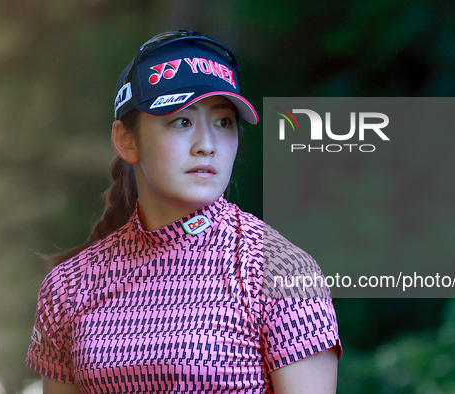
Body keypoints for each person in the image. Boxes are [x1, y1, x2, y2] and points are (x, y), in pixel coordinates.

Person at [26, 30, 341, 393]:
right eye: (182, 121)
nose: (207, 145)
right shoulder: (68, 287)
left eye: (223, 122)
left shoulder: (282, 271)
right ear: (127, 140)